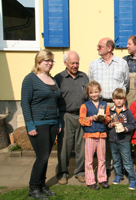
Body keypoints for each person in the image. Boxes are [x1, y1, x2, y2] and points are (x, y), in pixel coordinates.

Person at [21, 49, 61, 199]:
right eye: (47, 61)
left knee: (46, 156)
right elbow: (25, 104)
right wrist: (30, 125)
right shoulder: (30, 79)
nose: (50, 63)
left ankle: (42, 185)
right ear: (39, 62)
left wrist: (57, 121)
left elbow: (55, 101)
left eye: (51, 61)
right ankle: (33, 188)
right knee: (42, 157)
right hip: (38, 123)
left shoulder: (52, 79)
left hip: (52, 122)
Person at [88, 37, 129, 176]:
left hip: (116, 104)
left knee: (117, 134)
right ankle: (104, 166)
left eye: (100, 46)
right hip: (100, 104)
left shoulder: (122, 63)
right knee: (102, 136)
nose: (97, 48)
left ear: (109, 48)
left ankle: (119, 166)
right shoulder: (93, 64)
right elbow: (91, 85)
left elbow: (126, 84)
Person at [54, 51, 89, 185]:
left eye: (77, 63)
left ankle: (80, 172)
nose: (75, 65)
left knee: (82, 146)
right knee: (64, 147)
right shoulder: (58, 78)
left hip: (81, 116)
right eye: (72, 63)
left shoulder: (84, 77)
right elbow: (55, 100)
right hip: (66, 116)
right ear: (65, 63)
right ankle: (63, 173)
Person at [78, 81, 111, 190]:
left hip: (101, 135)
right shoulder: (85, 105)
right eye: (91, 93)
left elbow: (108, 118)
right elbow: (82, 120)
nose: (94, 94)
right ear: (88, 93)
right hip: (90, 135)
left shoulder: (104, 104)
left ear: (99, 91)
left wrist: (104, 118)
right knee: (89, 160)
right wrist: (91, 118)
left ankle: (102, 179)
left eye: (96, 92)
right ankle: (90, 181)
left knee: (102, 159)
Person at [108, 88, 136, 190]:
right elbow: (106, 123)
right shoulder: (110, 111)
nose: (119, 101)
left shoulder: (127, 112)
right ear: (113, 99)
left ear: (124, 100)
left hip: (124, 140)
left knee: (127, 161)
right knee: (115, 160)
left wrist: (125, 129)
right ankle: (118, 175)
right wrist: (111, 124)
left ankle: (132, 179)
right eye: (116, 99)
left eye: (121, 99)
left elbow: (132, 125)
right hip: (113, 140)